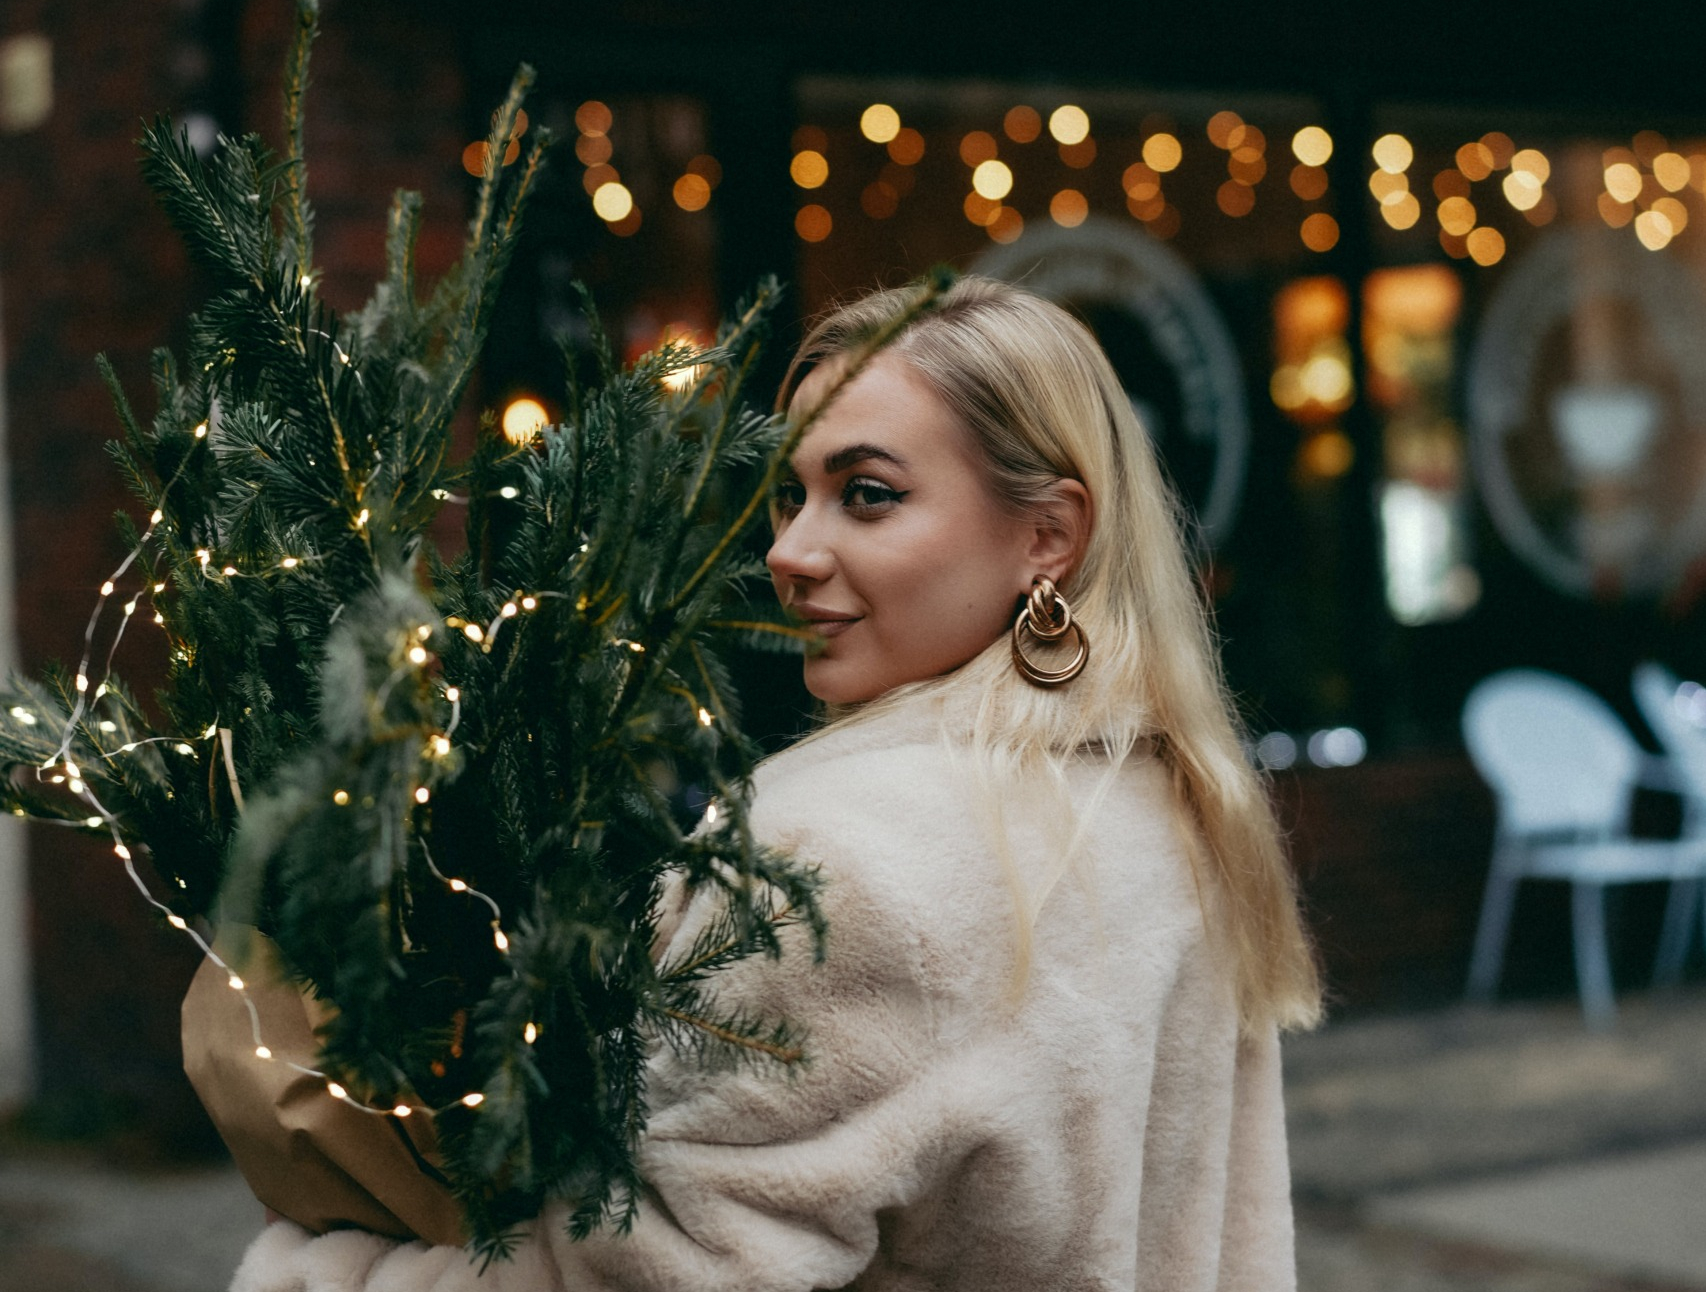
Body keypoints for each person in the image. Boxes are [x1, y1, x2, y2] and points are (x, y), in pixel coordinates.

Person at [226, 275, 1321, 1292]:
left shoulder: (842, 858)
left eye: (868, 494)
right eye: (791, 495)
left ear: (1046, 535)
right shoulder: (1170, 810)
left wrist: (327, 1267)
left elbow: (652, 1271)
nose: (791, 550)